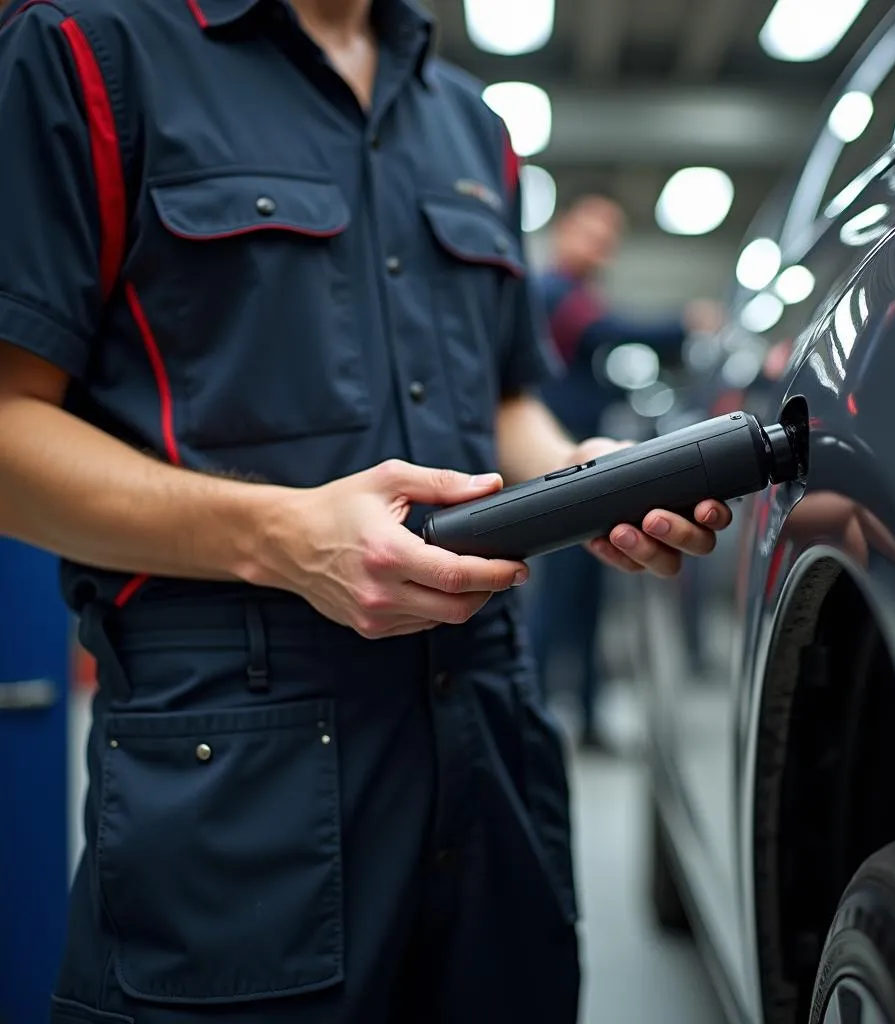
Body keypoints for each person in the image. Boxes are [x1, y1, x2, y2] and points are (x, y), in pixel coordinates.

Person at [0, 2, 732, 1021]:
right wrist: (284, 539)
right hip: (238, 760)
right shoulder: (90, 51)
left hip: (487, 730)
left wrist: (579, 477)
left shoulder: (469, 120)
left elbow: (505, 396)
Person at [529, 195, 723, 750]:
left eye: (609, 238)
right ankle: (539, 717)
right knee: (560, 598)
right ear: (565, 230)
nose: (601, 246)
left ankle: (585, 716)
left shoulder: (579, 296)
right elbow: (609, 334)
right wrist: (685, 323)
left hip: (585, 465)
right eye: (592, 232)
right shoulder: (555, 294)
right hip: (556, 469)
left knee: (585, 596)